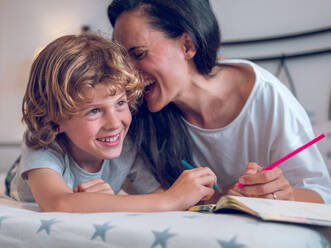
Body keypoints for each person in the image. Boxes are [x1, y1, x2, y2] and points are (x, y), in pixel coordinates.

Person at [107, 0, 331, 203]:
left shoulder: (267, 97)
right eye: (121, 60)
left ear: (187, 46)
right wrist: (217, 196)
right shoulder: (131, 113)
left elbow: (322, 196)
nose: (127, 74)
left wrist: (287, 194)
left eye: (138, 54)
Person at [6, 33, 218, 212]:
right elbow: (59, 202)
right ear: (55, 119)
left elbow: (155, 192)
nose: (114, 123)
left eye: (120, 103)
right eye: (94, 110)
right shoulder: (43, 142)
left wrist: (199, 194)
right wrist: (170, 200)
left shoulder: (127, 146)